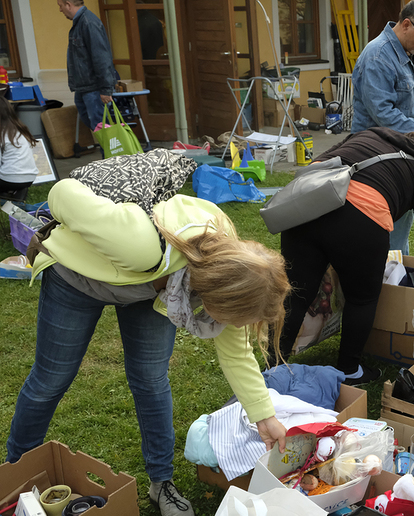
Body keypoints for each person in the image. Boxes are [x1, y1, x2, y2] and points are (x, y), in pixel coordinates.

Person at [5, 159, 290, 516]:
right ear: (215, 299)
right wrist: (96, 227)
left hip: (154, 287)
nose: (234, 326)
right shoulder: (139, 246)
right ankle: (16, 477)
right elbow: (61, 192)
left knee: (151, 380)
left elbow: (237, 353)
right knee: (51, 379)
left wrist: (264, 418)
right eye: (233, 319)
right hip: (77, 277)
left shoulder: (229, 275)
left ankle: (161, 482)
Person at [278, 128, 414, 386]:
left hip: (306, 199)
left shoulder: (370, 135)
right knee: (362, 298)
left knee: (296, 293)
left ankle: (273, 363)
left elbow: (325, 157)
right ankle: (349, 370)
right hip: (362, 214)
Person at [351, 0, 414, 256]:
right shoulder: (377, 57)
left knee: (399, 230)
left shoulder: (413, 52)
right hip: (376, 161)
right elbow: (384, 115)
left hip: (404, 155)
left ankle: (398, 271)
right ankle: (387, 275)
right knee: (383, 233)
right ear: (406, 24)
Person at [57, 0, 116, 135]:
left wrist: (105, 89)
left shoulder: (88, 23)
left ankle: (110, 149)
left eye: (60, 6)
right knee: (97, 127)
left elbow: (101, 58)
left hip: (93, 88)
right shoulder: (81, 22)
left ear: (68, 4)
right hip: (84, 87)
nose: (60, 10)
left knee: (102, 129)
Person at [0, 96, 37, 201]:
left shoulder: (1, 134)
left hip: (9, 179)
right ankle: (14, 194)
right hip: (29, 178)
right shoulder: (18, 130)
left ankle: (6, 195)